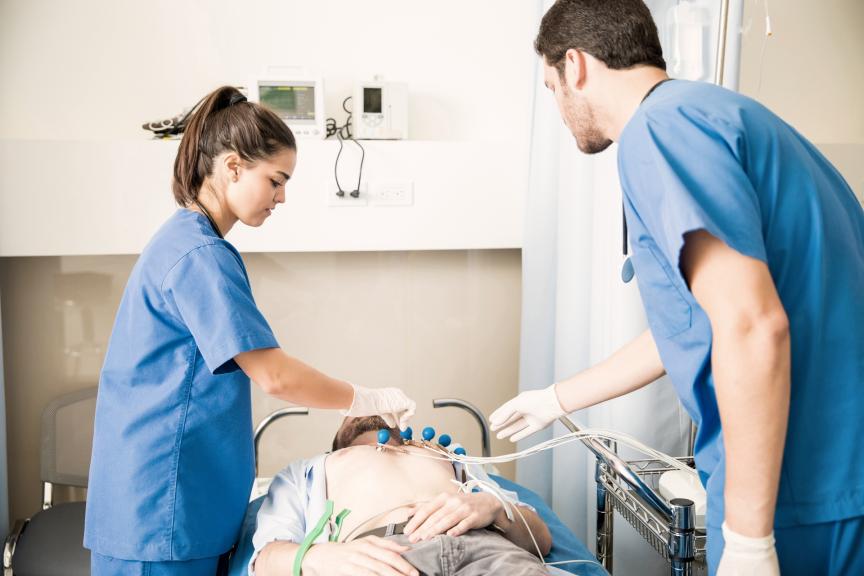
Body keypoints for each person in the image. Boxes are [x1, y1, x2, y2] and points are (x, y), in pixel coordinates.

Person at [489, 1, 864, 575]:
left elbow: (751, 324)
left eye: (551, 86)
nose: (560, 109)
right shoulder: (724, 116)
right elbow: (698, 324)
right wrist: (557, 398)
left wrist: (747, 538)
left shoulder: (660, 132)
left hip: (804, 487)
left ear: (576, 65)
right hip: (838, 478)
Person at [84, 86, 416, 576]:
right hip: (161, 512)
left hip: (173, 506)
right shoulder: (199, 256)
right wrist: (361, 398)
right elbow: (274, 376)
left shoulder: (190, 243)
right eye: (276, 180)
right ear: (234, 167)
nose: (282, 197)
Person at [250, 416, 554, 576]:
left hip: (485, 546)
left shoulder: (448, 457)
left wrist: (495, 508)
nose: (369, 409)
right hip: (382, 559)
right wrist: (318, 558)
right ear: (336, 441)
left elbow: (540, 540)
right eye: (354, 406)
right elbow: (265, 561)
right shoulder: (308, 471)